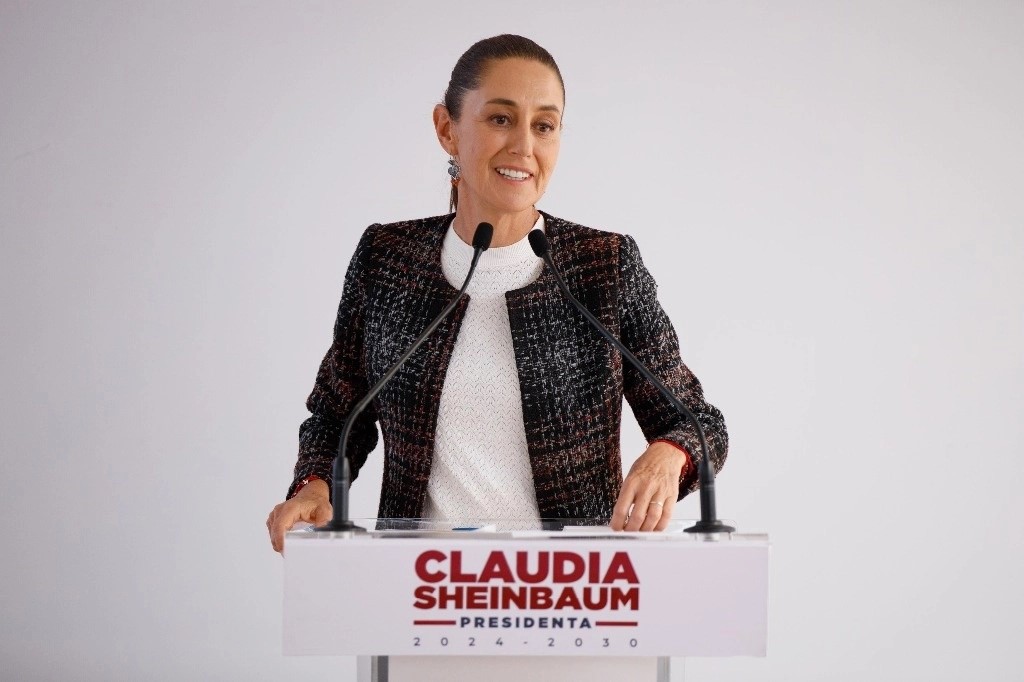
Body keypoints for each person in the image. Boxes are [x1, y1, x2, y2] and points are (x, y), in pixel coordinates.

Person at [267, 35, 727, 553]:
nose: (524, 147)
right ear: (447, 129)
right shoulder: (387, 257)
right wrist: (314, 484)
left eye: (544, 126)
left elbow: (697, 423)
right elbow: (337, 414)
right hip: (421, 589)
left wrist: (668, 454)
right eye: (501, 119)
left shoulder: (605, 266)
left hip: (572, 591)